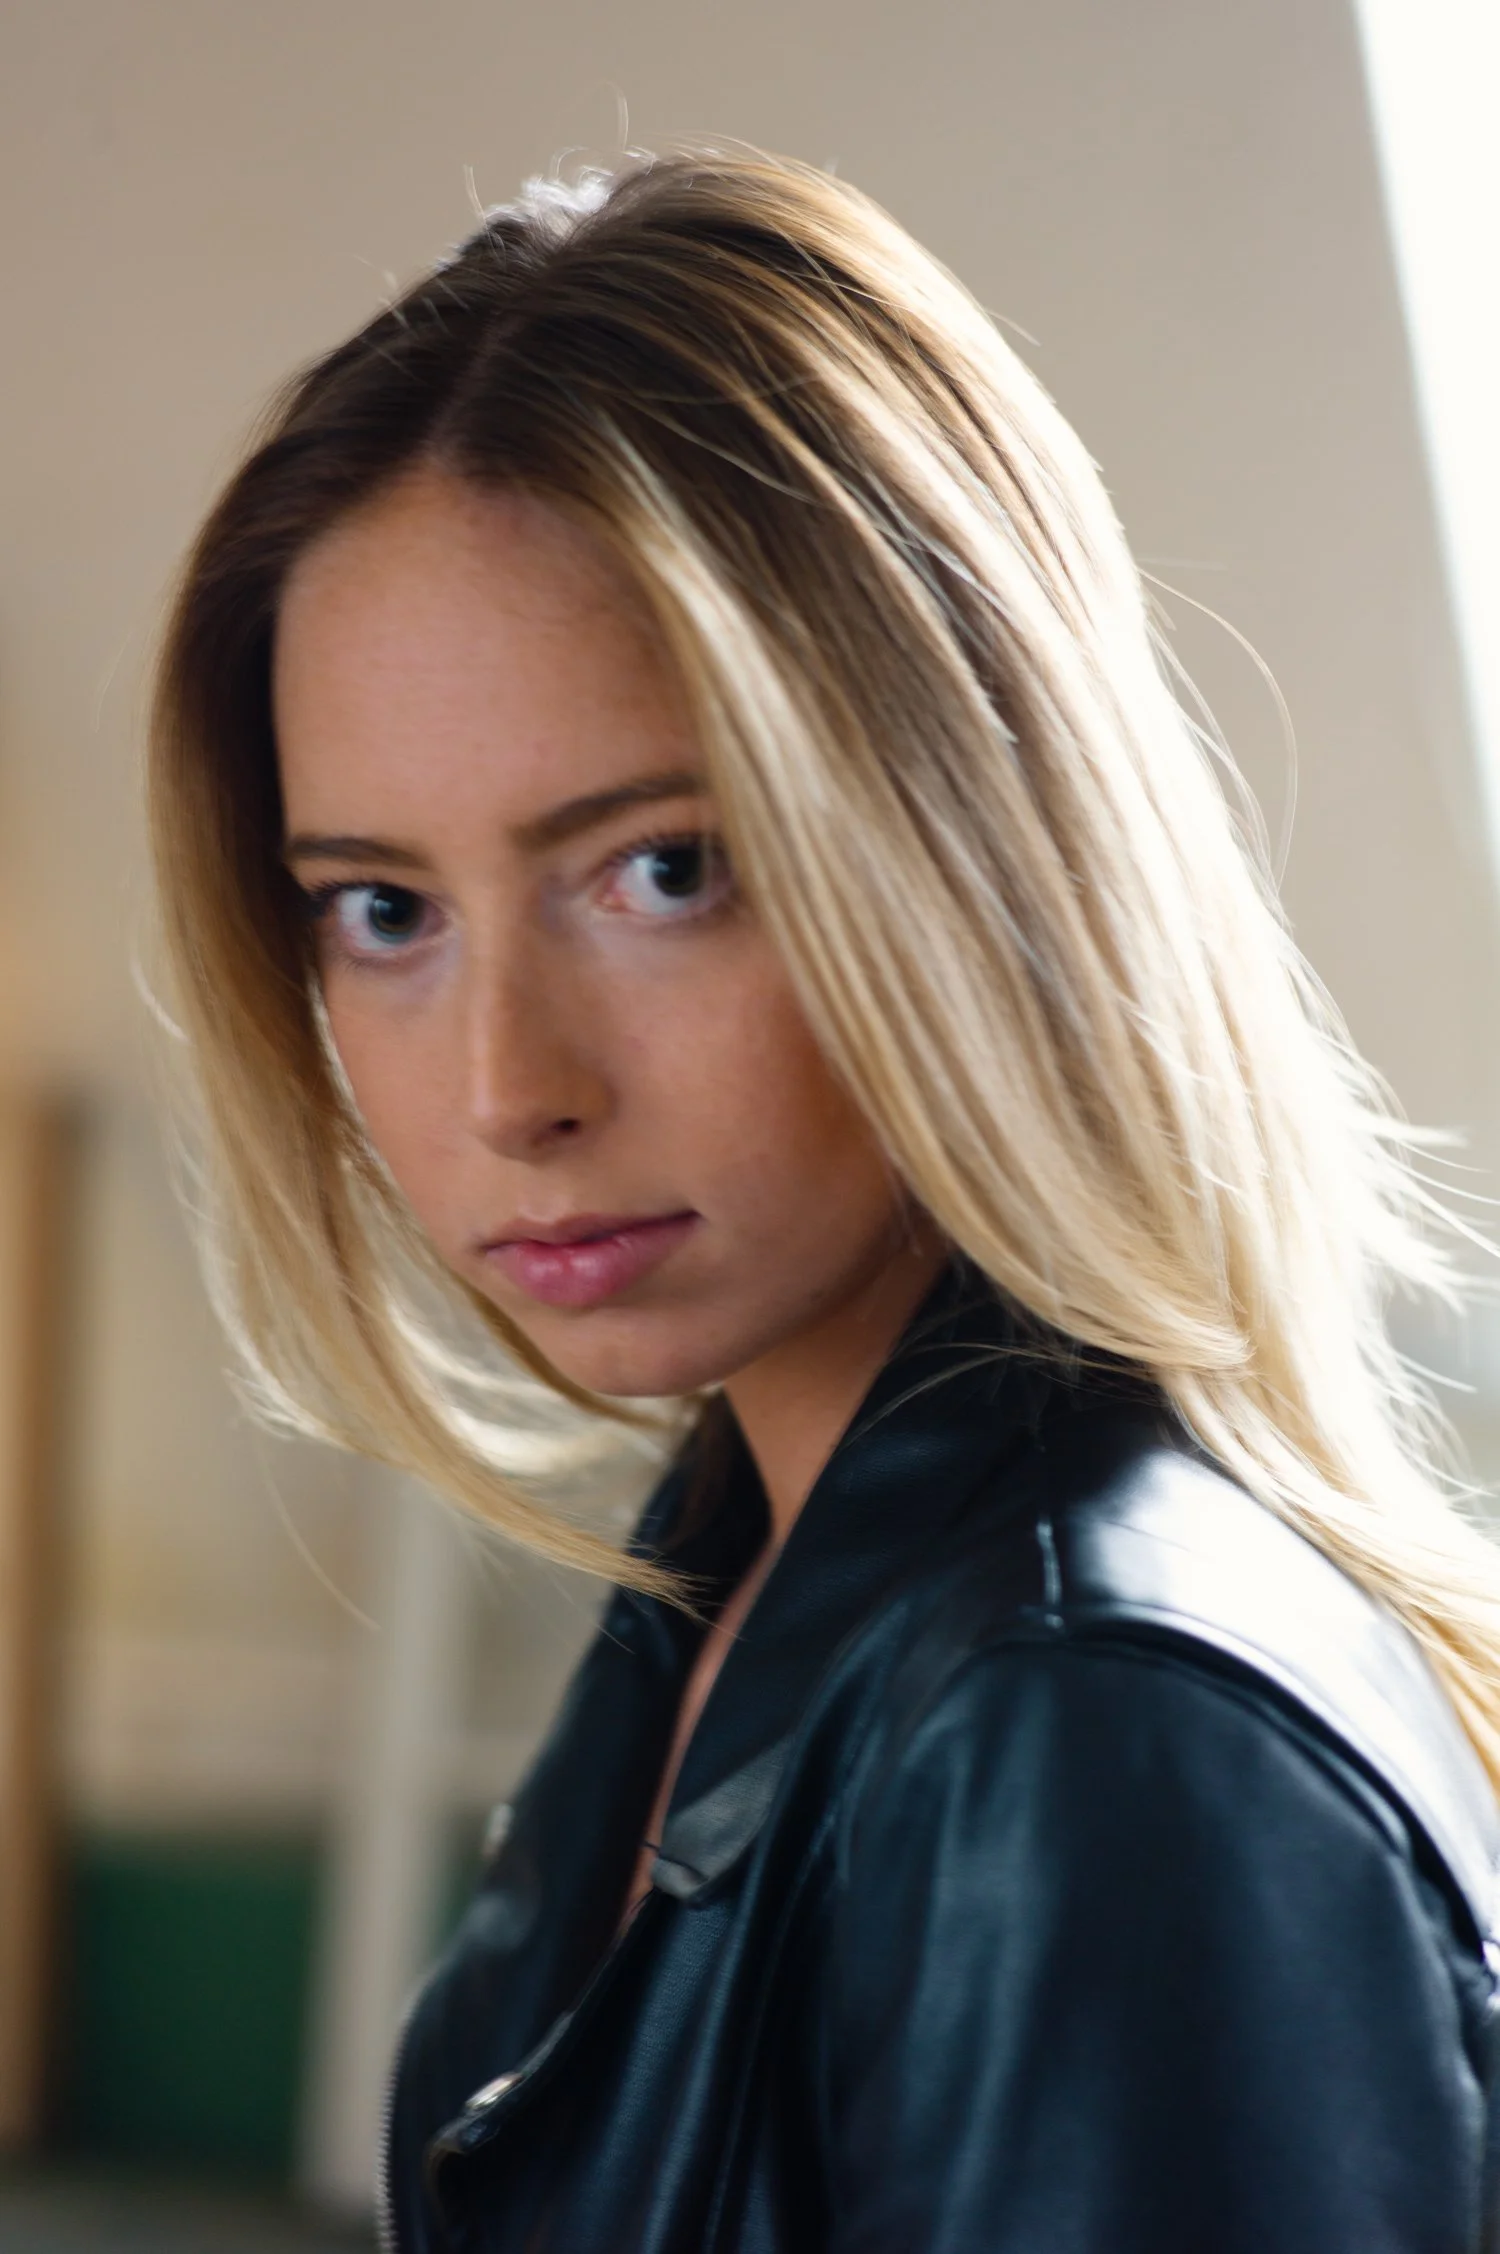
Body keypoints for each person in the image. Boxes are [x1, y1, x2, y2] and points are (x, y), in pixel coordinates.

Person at [147, 148, 1500, 2250]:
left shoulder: (1083, 1728)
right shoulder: (739, 1563)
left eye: (664, 868)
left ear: (973, 840)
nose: (508, 1088)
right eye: (385, 909)